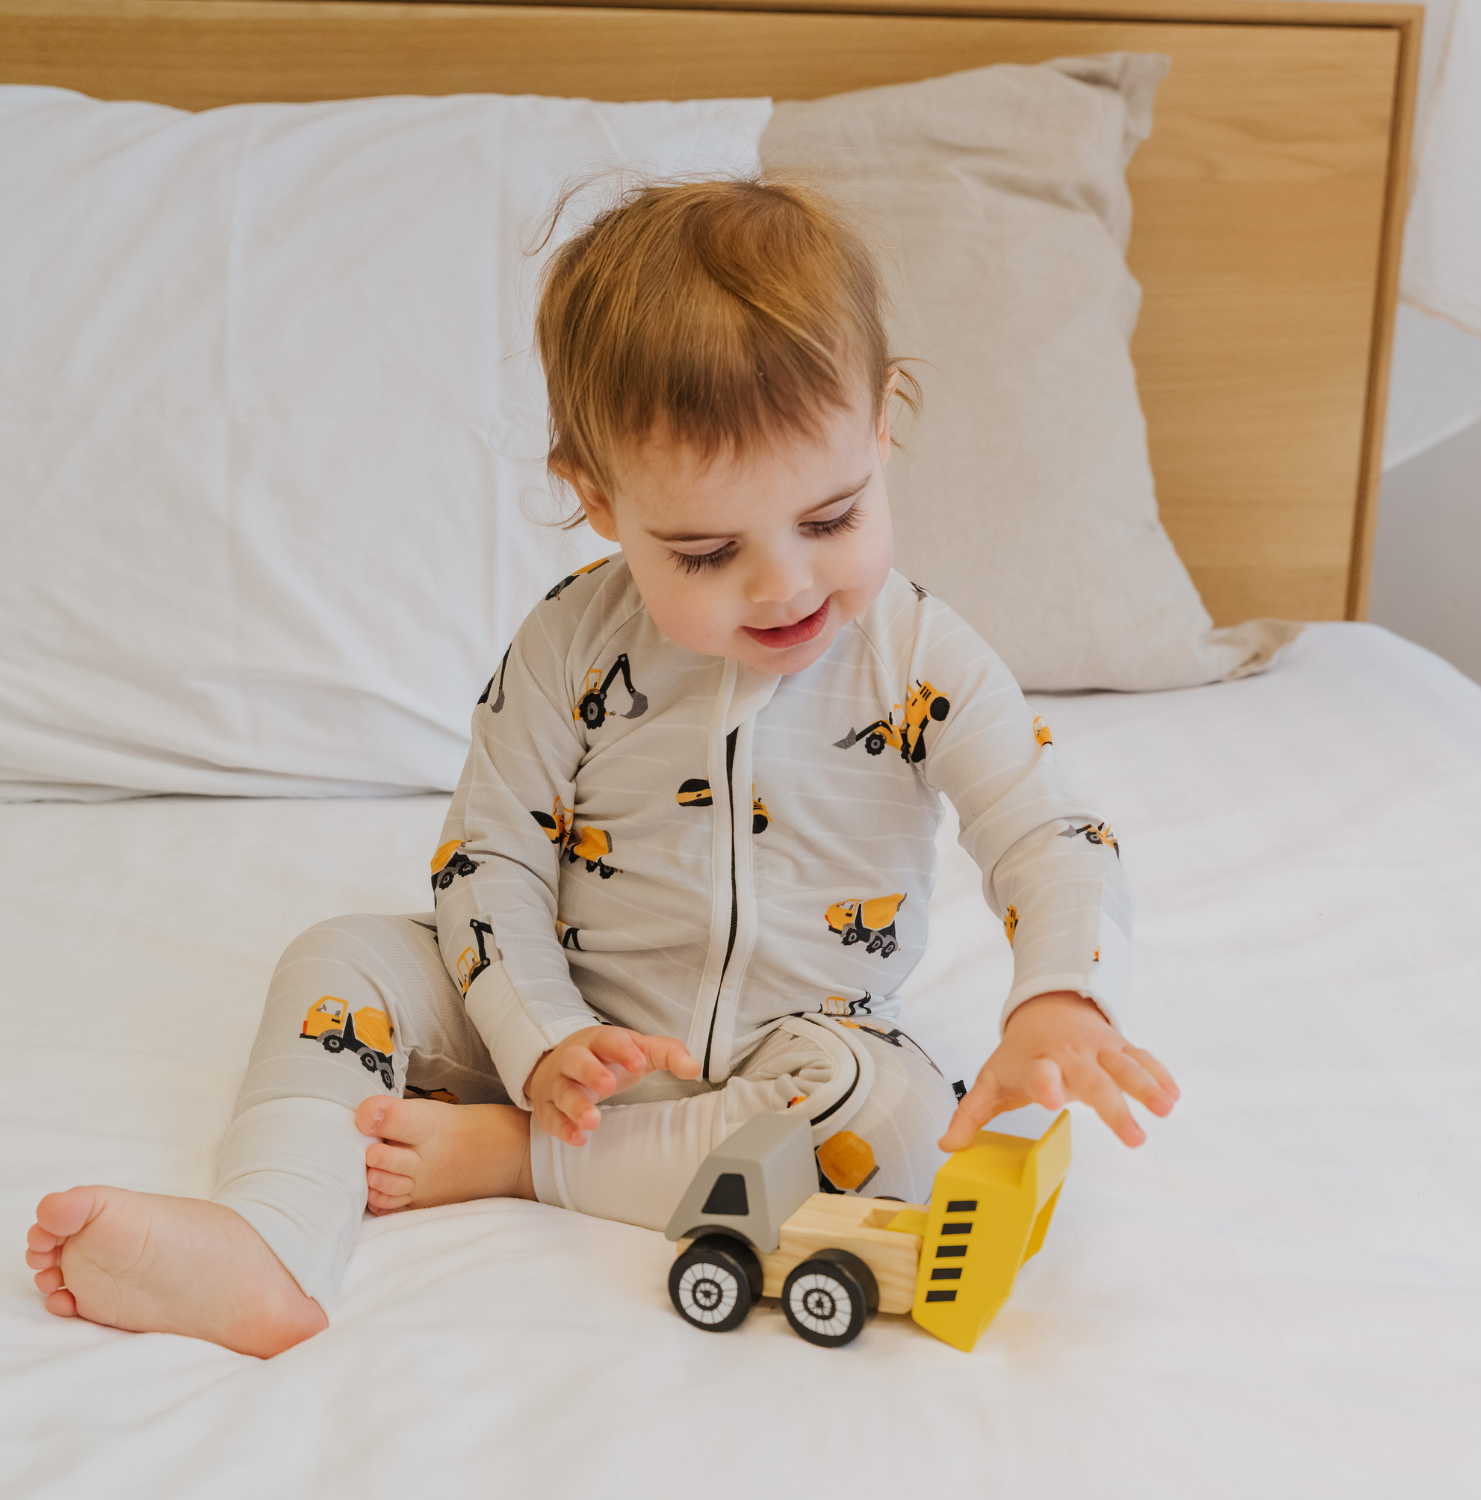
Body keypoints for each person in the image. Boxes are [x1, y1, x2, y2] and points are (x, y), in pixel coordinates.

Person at [26, 178, 1178, 1358]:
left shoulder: (924, 658)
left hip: (794, 1048)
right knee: (343, 960)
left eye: (832, 519)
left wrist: (1058, 998)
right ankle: (268, 1238)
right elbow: (489, 858)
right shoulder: (572, 645)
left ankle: (527, 1163)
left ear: (883, 426)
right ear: (599, 501)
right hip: (571, 1014)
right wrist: (539, 1040)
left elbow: (1049, 836)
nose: (784, 584)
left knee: (894, 1118)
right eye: (707, 551)